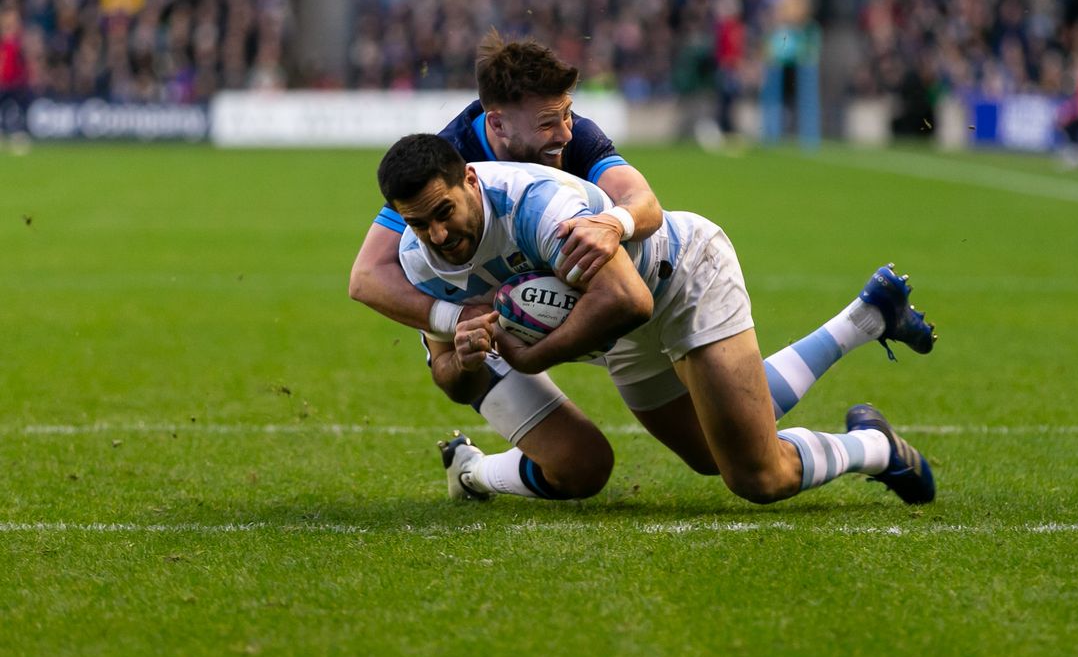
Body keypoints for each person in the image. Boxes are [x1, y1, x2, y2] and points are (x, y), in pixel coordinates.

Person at [377, 134, 938, 507]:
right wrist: (465, 351)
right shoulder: (417, 260)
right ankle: (865, 320)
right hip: (613, 327)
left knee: (754, 476)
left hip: (682, 277)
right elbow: (449, 376)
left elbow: (628, 300)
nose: (438, 236)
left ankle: (875, 447)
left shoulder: (535, 206)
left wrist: (531, 355)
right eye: (418, 224)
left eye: (443, 213)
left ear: (470, 182)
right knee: (706, 452)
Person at [350, 28, 664, 336]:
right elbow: (366, 276)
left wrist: (613, 223)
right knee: (451, 369)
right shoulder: (448, 162)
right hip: (479, 285)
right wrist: (458, 317)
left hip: (559, 275)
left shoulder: (577, 135)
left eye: (567, 114)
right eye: (546, 123)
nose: (565, 133)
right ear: (497, 124)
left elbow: (644, 202)